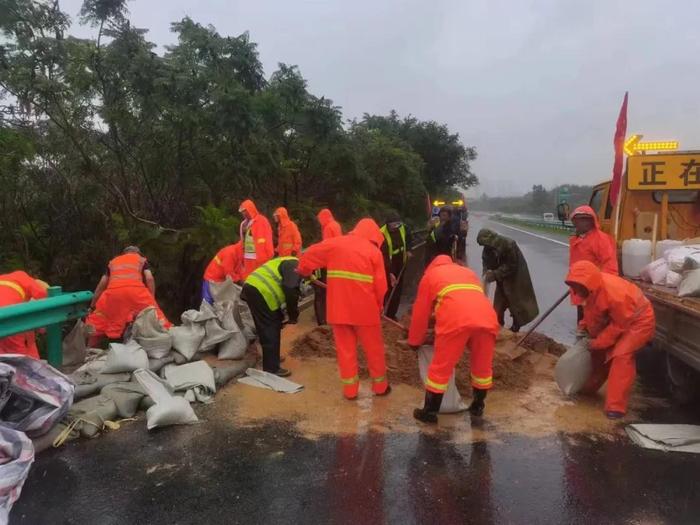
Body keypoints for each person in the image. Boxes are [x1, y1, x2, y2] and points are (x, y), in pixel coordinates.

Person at [298, 218, 391, 399]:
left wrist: (304, 270)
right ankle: (380, 388)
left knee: (345, 351)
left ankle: (350, 391)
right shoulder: (373, 252)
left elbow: (309, 253)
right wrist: (379, 306)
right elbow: (381, 287)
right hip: (366, 312)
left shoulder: (336, 244)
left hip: (339, 310)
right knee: (374, 350)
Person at [406, 255, 499, 423]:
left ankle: (429, 412)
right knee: (482, 366)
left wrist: (414, 341)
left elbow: (420, 314)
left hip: (456, 320)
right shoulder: (468, 273)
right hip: (487, 318)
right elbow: (464, 298)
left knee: (441, 367)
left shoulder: (430, 277)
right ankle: (478, 406)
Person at [565, 261, 655, 419]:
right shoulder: (589, 290)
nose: (576, 290)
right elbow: (593, 314)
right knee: (597, 353)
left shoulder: (615, 293)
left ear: (588, 282)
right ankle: (588, 388)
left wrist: (598, 342)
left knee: (621, 356)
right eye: (574, 285)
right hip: (618, 320)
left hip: (638, 321)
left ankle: (616, 407)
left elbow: (619, 325)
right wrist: (584, 328)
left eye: (578, 286)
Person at [86, 246, 170, 343]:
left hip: (113, 294)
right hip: (136, 292)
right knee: (156, 317)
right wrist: (151, 300)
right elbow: (149, 278)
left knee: (98, 321)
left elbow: (101, 286)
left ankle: (89, 352)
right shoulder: (141, 260)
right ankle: (168, 342)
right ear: (138, 253)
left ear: (124, 254)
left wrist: (92, 307)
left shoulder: (113, 262)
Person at [241, 256, 302, 377]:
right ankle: (271, 368)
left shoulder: (289, 261)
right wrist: (293, 314)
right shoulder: (295, 265)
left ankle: (272, 359)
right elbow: (290, 289)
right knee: (269, 327)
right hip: (260, 291)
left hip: (255, 289)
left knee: (270, 325)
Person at [476, 229, 539, 332]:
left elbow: (512, 265)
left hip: (515, 277)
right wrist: (486, 274)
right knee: (498, 303)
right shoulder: (487, 249)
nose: (485, 247)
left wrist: (495, 274)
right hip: (501, 278)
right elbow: (486, 263)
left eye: (485, 244)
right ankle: (497, 325)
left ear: (491, 240)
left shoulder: (508, 244)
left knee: (516, 302)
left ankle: (516, 326)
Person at [569, 205, 619, 322]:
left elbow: (610, 267)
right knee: (582, 318)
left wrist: (597, 287)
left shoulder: (601, 240)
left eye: (583, 219)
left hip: (594, 289)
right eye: (577, 220)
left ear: (591, 221)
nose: (579, 223)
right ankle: (582, 333)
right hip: (580, 287)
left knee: (594, 321)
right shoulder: (577, 240)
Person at [0, 271, 49, 359]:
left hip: (5, 315)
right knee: (20, 357)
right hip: (10, 318)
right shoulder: (26, 279)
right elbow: (45, 298)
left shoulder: (8, 279)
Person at [313, 208, 343, 326]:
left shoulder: (328, 227)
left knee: (321, 292)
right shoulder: (335, 225)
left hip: (328, 262)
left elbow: (327, 246)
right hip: (336, 261)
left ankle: (323, 320)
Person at [380, 211, 412, 320]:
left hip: (400, 261)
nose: (396, 227)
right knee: (388, 288)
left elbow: (408, 237)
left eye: (397, 224)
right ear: (388, 224)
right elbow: (382, 254)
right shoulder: (381, 233)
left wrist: (408, 250)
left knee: (398, 288)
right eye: (393, 225)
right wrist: (389, 272)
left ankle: (392, 314)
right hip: (389, 263)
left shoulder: (404, 228)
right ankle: (385, 312)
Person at [238, 199, 274, 280]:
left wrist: (268, 255)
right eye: (242, 212)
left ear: (250, 209)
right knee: (249, 279)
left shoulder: (261, 221)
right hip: (247, 258)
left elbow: (267, 238)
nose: (243, 214)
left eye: (245, 211)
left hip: (259, 258)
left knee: (260, 279)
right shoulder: (244, 224)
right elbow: (243, 241)